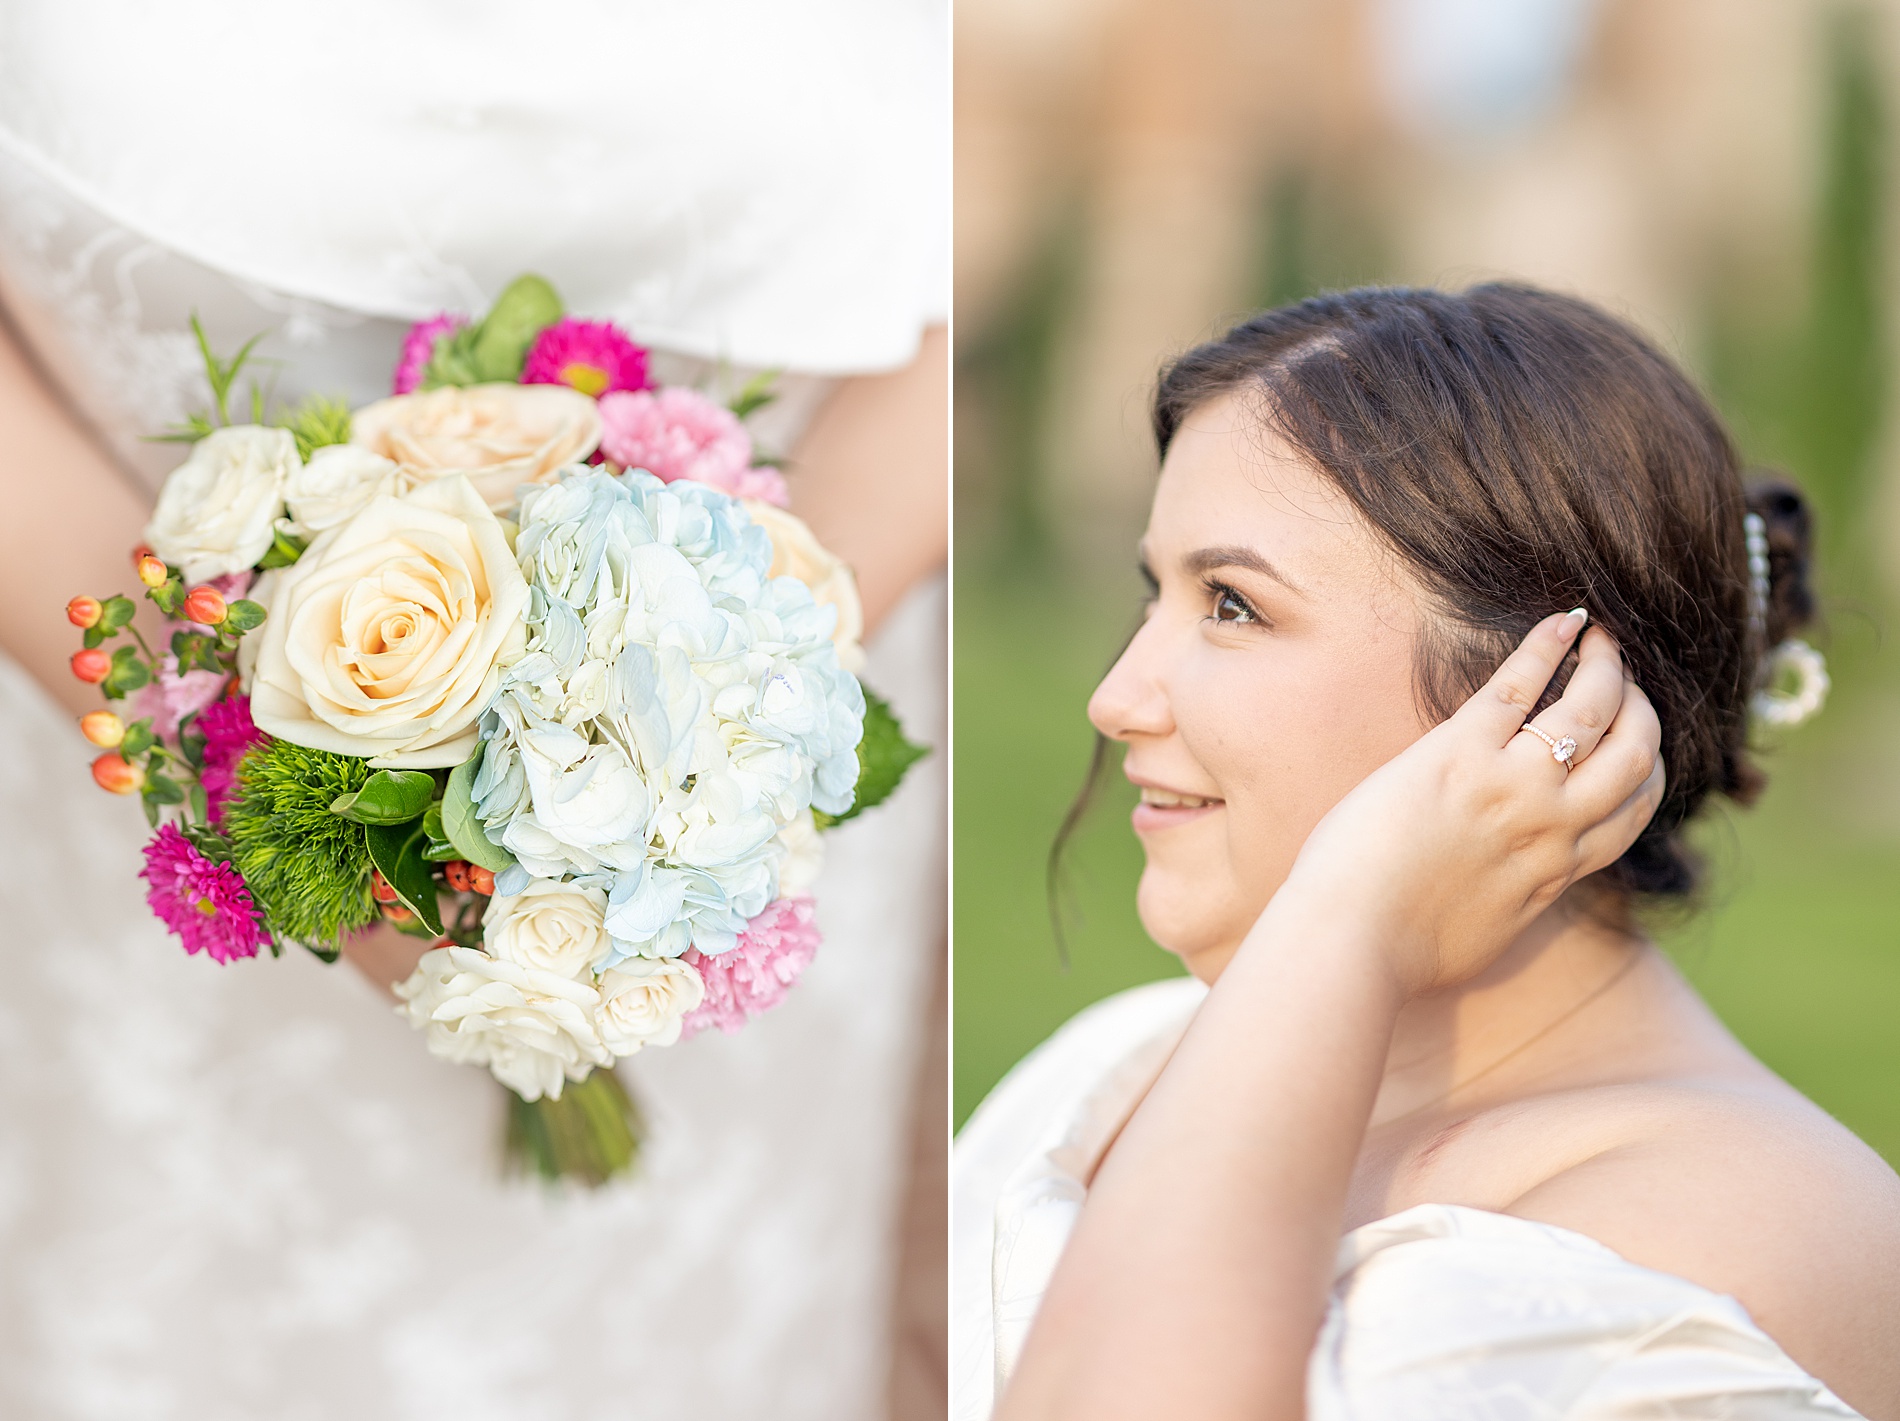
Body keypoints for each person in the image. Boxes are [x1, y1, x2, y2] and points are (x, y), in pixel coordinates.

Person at [0, 4, 946, 1416]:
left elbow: (961, 259)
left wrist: (699, 698)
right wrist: (236, 747)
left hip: (748, 749)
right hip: (118, 727)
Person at [954, 285, 1900, 1420]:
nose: (1114, 698)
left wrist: (1349, 915)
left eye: (1232, 604)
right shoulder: (1125, 1058)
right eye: (1152, 592)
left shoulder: (1708, 1236)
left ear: (1553, 698)